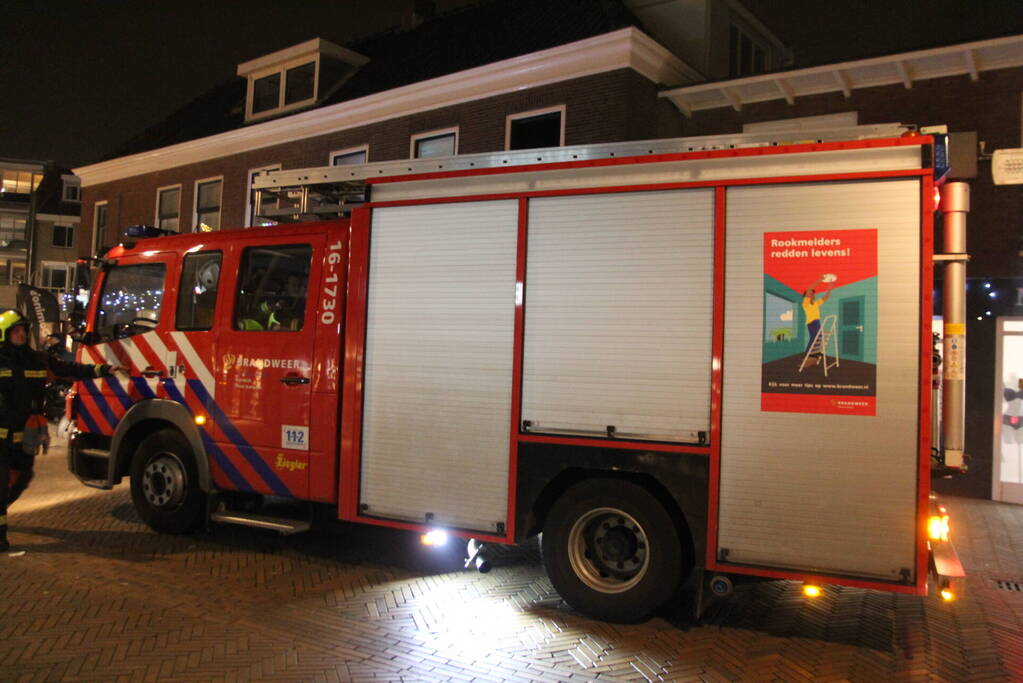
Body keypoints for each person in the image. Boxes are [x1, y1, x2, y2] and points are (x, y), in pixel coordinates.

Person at [0, 310, 127, 552]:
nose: (21, 335)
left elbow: (70, 370)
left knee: (22, 479)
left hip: (24, 436)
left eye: (23, 331)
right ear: (4, 334)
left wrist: (103, 370)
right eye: (15, 331)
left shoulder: (38, 359)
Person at [802, 275, 832, 362]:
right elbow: (810, 289)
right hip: (811, 322)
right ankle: (808, 353)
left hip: (817, 321)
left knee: (819, 337)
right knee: (814, 337)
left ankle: (815, 352)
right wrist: (820, 280)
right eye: (813, 293)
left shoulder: (815, 303)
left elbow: (825, 298)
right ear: (809, 295)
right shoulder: (805, 303)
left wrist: (829, 289)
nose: (814, 295)